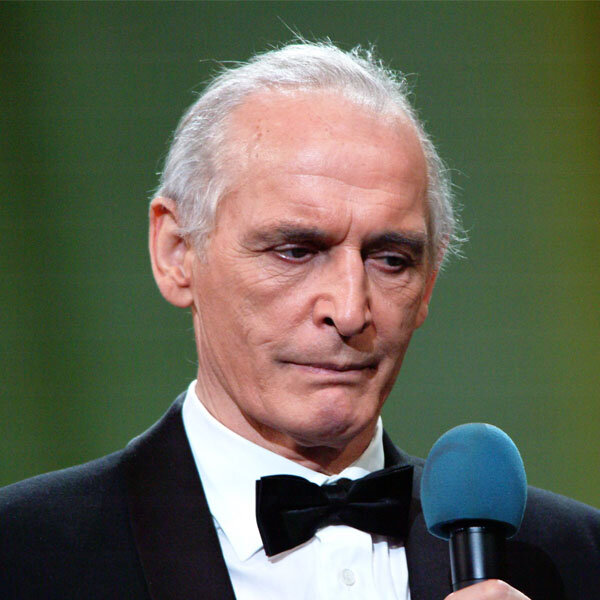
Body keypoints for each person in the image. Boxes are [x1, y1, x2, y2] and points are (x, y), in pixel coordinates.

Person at [1, 41, 598, 600]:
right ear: (177, 252)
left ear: (429, 285)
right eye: (295, 251)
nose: (350, 310)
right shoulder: (26, 554)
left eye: (391, 260)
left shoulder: (573, 559)